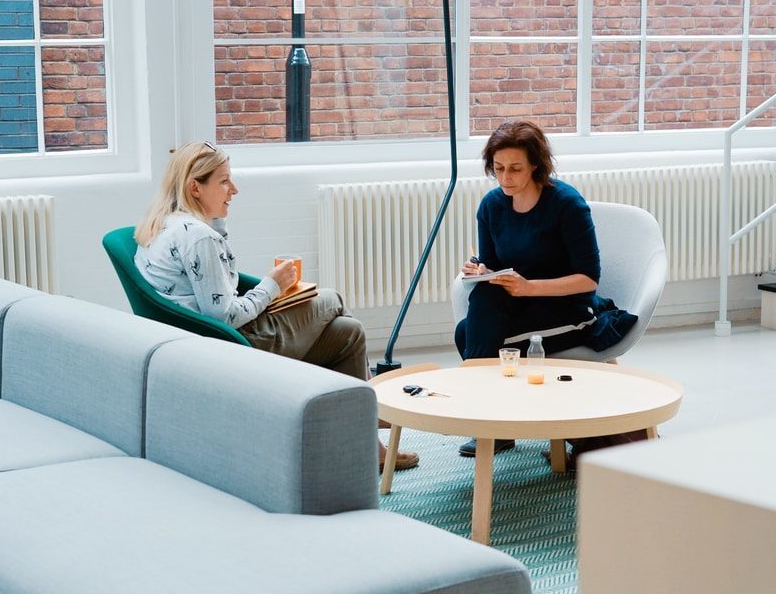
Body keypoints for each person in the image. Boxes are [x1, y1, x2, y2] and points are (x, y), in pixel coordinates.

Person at [134, 140, 418, 472]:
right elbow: (223, 314)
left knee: (348, 332)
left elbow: (214, 292)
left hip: (203, 343)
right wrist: (272, 285)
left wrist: (220, 226)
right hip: (235, 346)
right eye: (224, 181)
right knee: (332, 298)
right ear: (195, 187)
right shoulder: (200, 238)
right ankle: (374, 411)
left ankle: (367, 445)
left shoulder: (167, 225)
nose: (234, 189)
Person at [455, 120, 602, 458]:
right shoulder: (492, 205)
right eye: (498, 168)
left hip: (568, 309)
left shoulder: (566, 204)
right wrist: (481, 271)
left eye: (515, 169)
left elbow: (589, 278)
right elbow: (493, 267)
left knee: (468, 335)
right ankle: (495, 422)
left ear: (536, 164)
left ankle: (488, 420)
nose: (505, 177)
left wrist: (528, 287)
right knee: (475, 315)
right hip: (519, 304)